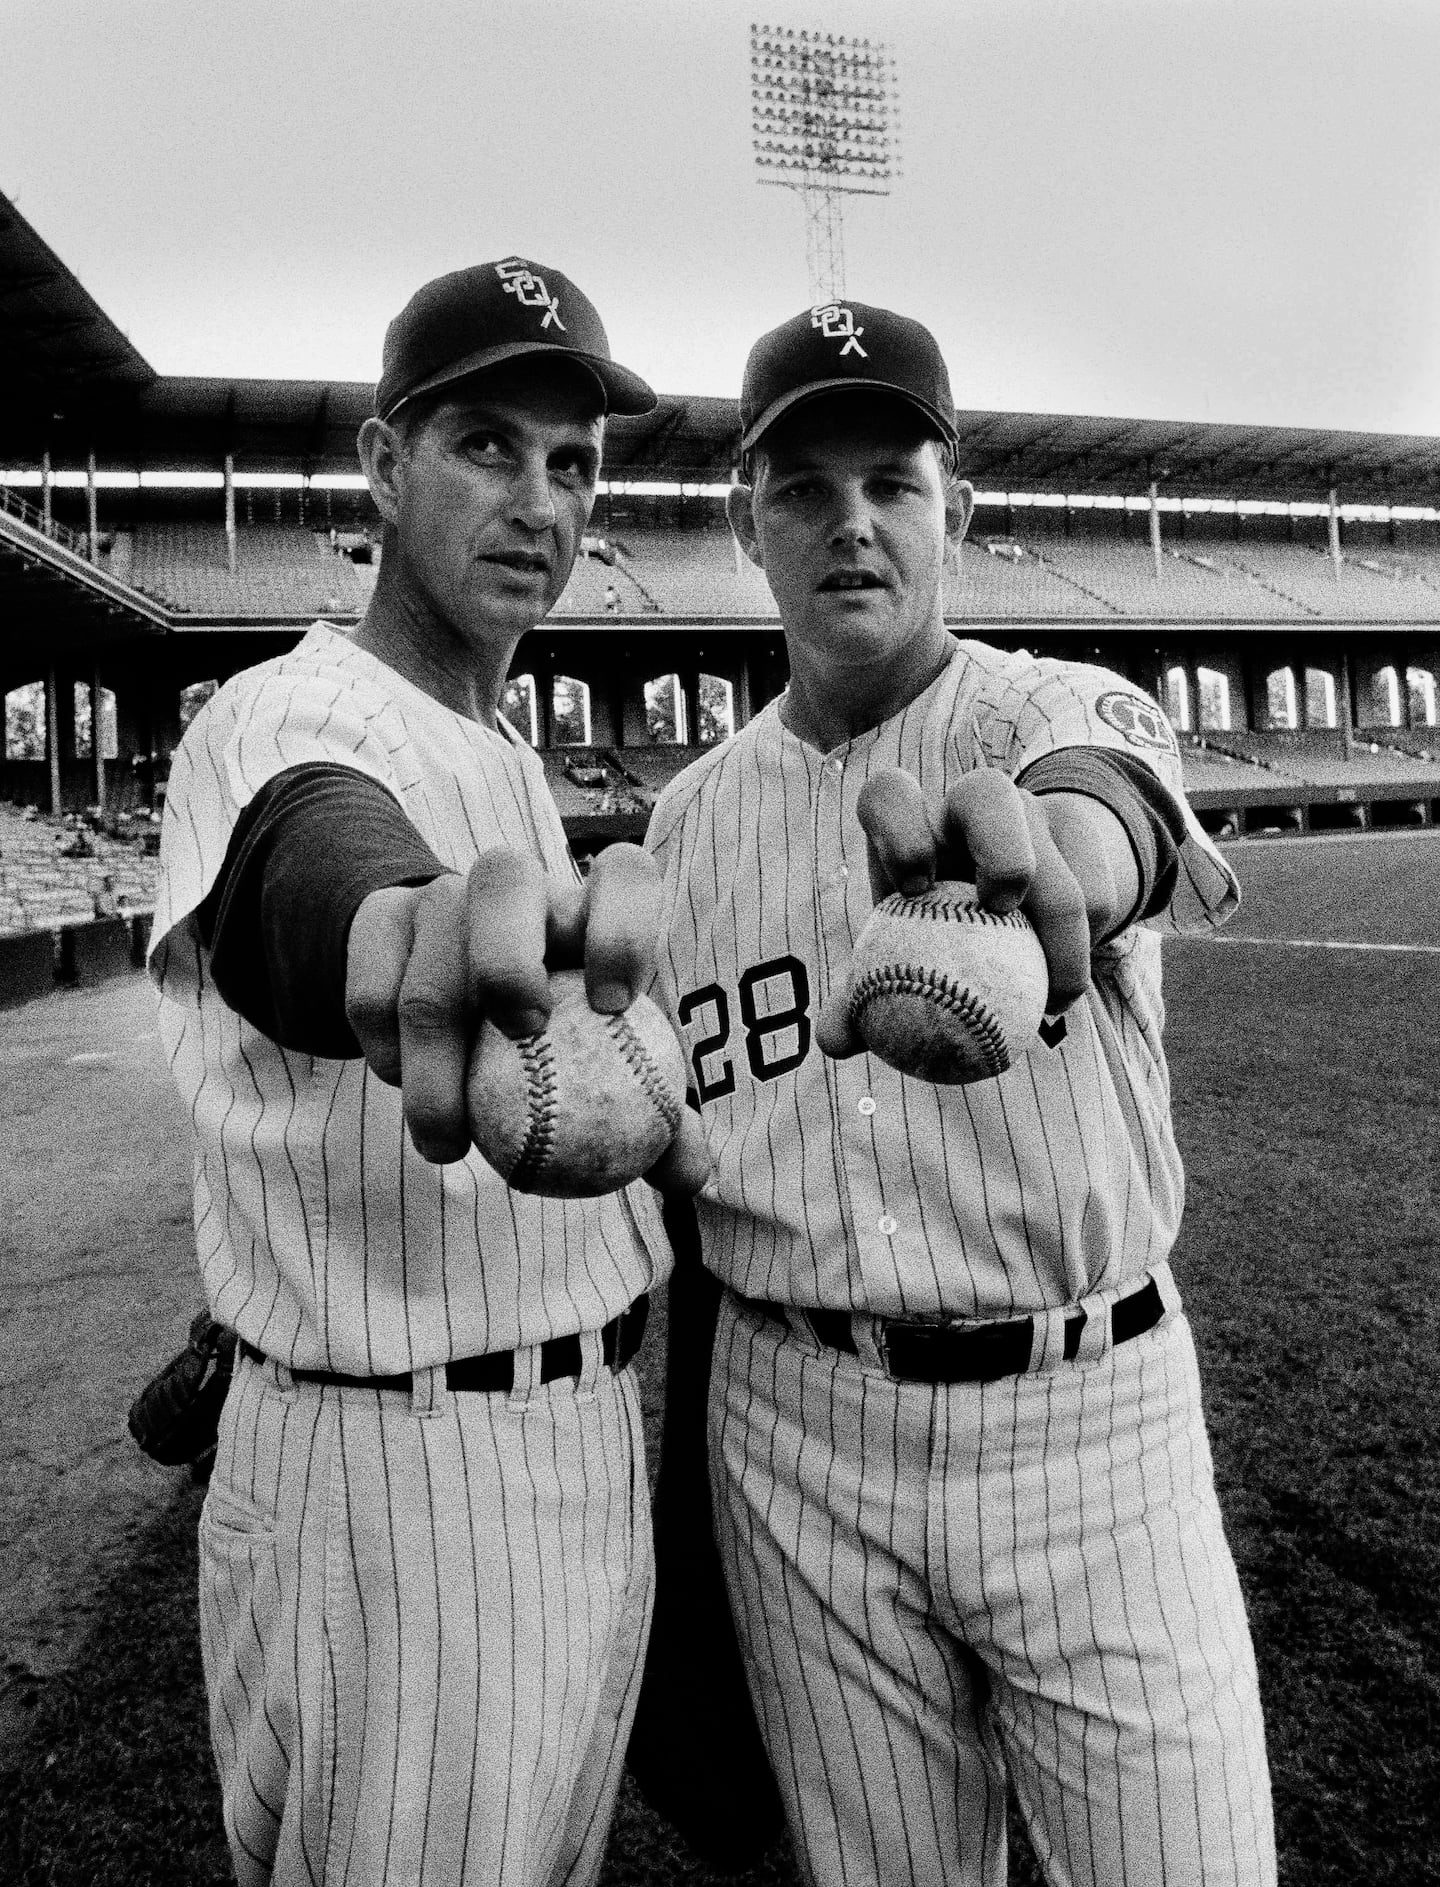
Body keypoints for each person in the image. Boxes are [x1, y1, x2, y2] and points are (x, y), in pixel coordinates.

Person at [643, 300, 1276, 1886]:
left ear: (958, 511)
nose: (851, 522)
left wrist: (1056, 860)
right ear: (747, 525)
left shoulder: (1055, 707)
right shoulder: (685, 824)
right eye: (804, 488)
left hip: (1088, 1423)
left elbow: (1106, 808)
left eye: (892, 483)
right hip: (793, 1437)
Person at [149, 257, 703, 1887]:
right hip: (400, 1484)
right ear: (385, 467)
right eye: (486, 447)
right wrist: (392, 924)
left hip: (568, 1445)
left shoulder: (505, 755)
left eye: (574, 463)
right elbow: (313, 856)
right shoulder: (280, 715)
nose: (541, 502)